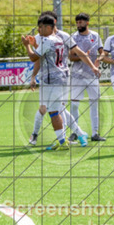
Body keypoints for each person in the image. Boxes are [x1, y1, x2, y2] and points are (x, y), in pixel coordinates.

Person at [22, 16, 89, 150]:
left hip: (53, 79)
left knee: (54, 111)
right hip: (62, 77)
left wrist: (27, 45)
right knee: (58, 109)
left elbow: (34, 57)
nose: (39, 30)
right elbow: (45, 55)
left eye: (41, 27)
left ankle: (63, 141)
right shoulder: (58, 39)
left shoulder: (47, 40)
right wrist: (35, 45)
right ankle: (76, 135)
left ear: (48, 27)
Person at [69, 13, 105, 141]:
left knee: (94, 103)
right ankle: (74, 132)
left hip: (92, 75)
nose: (78, 24)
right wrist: (83, 57)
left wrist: (99, 59)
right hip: (77, 75)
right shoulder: (73, 37)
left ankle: (95, 133)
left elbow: (102, 52)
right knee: (74, 104)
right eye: (77, 22)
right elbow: (71, 57)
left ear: (87, 23)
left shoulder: (95, 36)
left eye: (81, 22)